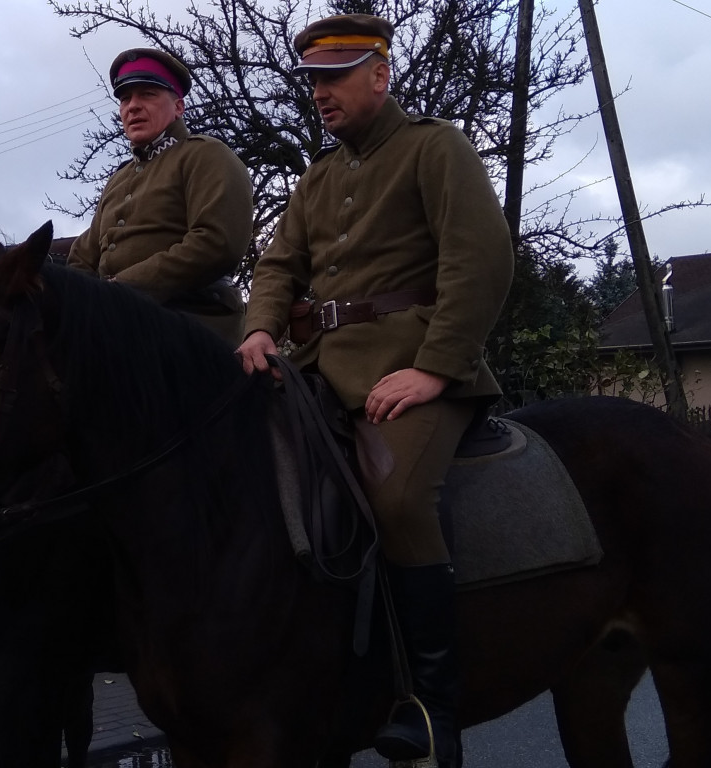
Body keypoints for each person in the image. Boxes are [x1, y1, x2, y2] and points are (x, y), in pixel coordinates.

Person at [236, 14, 513, 768]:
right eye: (313, 81)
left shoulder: (434, 146)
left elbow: (480, 259)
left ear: (381, 74)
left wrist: (434, 367)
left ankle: (432, 708)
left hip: (418, 370)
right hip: (319, 368)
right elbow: (275, 267)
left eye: (335, 76)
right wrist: (260, 329)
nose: (320, 93)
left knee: (395, 499)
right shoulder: (320, 177)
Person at [67, 48, 253, 347]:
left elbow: (217, 243)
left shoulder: (204, 155)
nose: (133, 107)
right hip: (118, 325)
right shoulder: (120, 178)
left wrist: (120, 291)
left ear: (178, 107)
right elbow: (82, 258)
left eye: (148, 94)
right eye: (125, 99)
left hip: (190, 326)